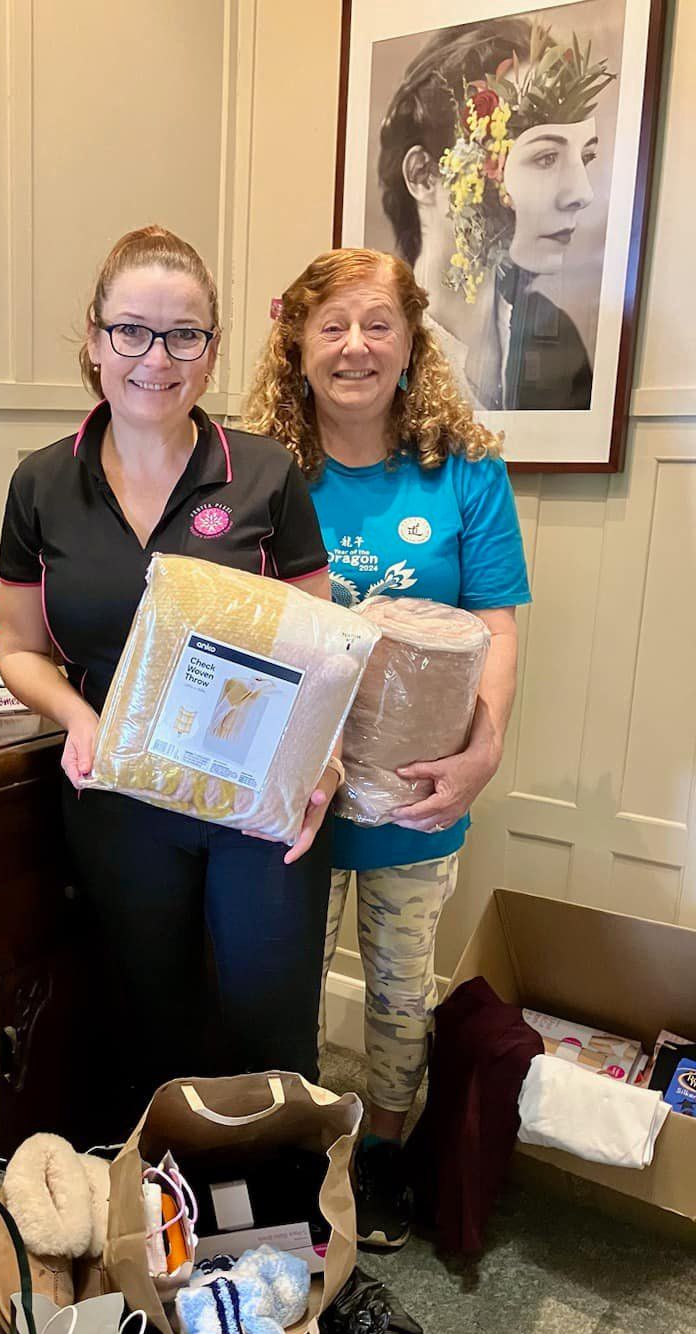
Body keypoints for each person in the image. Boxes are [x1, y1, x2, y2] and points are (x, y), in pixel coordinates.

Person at [0, 225, 335, 1137]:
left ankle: (293, 1250)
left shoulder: (264, 471)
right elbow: (18, 648)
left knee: (268, 1031)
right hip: (121, 791)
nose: (157, 357)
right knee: (146, 1032)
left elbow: (323, 648)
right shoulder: (41, 484)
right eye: (133, 331)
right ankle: (159, 1248)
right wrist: (75, 715)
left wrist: (323, 771)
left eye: (185, 334)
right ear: (97, 342)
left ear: (213, 349)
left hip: (255, 795)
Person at [243, 246, 532, 1248]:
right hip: (297, 793)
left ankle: (386, 1167)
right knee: (291, 981)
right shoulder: (260, 471)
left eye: (377, 325)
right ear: (299, 345)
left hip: (422, 790)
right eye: (332, 326)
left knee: (404, 992)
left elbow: (496, 623)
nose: (355, 347)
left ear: (412, 343)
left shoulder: (465, 473)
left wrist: (480, 757)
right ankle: (303, 1163)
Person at [377, 17, 615, 410]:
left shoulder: (559, 344)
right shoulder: (371, 353)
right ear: (423, 175)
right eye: (544, 157)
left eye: (583, 158)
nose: (580, 192)